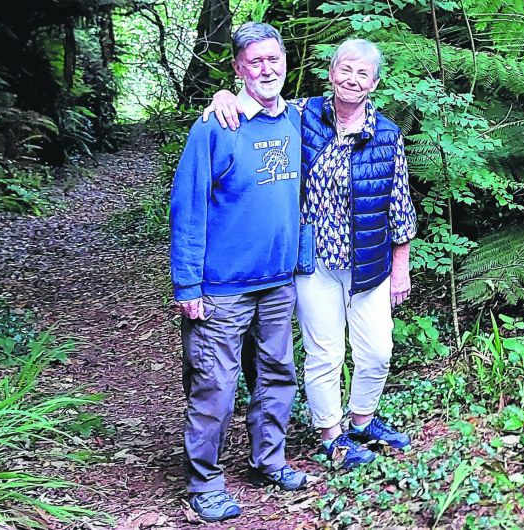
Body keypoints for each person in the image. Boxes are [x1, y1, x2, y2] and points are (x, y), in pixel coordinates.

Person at [203, 38, 417, 470]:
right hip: (314, 262)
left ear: (374, 83)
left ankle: (363, 419)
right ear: (332, 72)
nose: (352, 80)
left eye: (363, 74)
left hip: (369, 261)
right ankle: (332, 435)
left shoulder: (387, 135)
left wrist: (401, 269)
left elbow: (400, 205)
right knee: (325, 352)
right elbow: (256, 103)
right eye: (345, 70)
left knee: (377, 350)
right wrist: (224, 95)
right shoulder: (302, 115)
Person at [170, 22, 307, 523]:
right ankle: (204, 483)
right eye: (255, 62)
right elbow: (187, 208)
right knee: (215, 387)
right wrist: (187, 283)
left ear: (286, 63)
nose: (267, 69)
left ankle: (268, 461)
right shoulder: (215, 127)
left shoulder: (297, 120)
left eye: (274, 59)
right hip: (221, 288)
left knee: (276, 375)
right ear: (238, 68)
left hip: (277, 282)